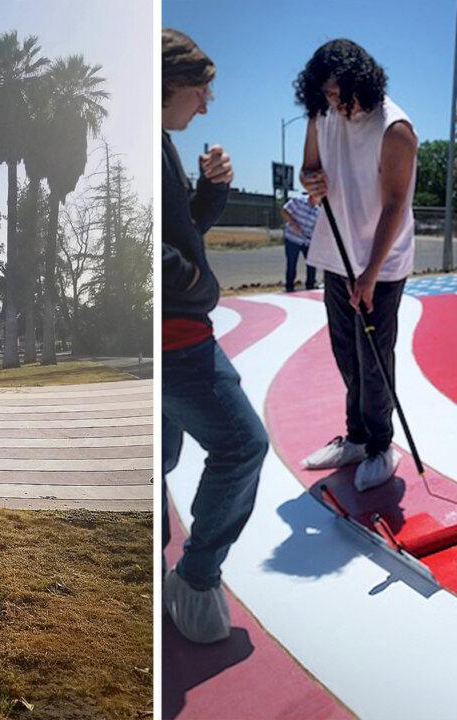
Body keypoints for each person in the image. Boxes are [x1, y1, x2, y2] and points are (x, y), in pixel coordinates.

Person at [161, 27, 268, 644]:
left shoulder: (163, 144)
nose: (205, 105)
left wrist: (212, 192)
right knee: (241, 445)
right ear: (171, 83)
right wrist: (200, 283)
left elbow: (182, 234)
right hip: (177, 338)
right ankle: (195, 579)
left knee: (164, 456)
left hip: (171, 332)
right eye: (201, 92)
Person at [296, 39, 418, 492]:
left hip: (381, 264)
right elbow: (309, 171)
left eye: (337, 93)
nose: (332, 102)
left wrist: (369, 275)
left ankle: (382, 445)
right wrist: (311, 179)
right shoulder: (323, 115)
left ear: (360, 82)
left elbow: (395, 207)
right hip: (336, 252)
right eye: (323, 93)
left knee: (373, 360)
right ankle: (357, 436)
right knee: (346, 352)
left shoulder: (395, 128)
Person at [281, 192, 320, 291]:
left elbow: (316, 228)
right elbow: (284, 211)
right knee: (292, 264)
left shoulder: (318, 211)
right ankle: (289, 287)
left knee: (312, 263)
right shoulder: (298, 201)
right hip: (292, 239)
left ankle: (310, 286)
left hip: (307, 241)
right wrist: (293, 223)